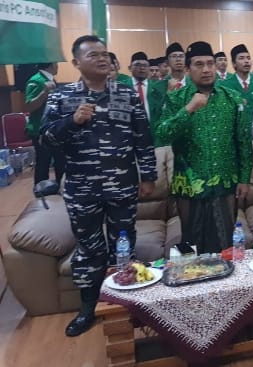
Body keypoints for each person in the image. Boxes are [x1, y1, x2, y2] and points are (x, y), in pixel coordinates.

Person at [40, 35, 156, 337]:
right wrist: (71, 121)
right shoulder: (62, 97)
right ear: (76, 63)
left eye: (105, 54)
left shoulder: (126, 94)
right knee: (89, 249)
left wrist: (148, 176)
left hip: (122, 186)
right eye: (93, 55)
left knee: (124, 246)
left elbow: (143, 138)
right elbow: (45, 139)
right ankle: (88, 308)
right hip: (82, 190)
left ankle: (125, 304)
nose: (102, 59)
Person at [155, 41, 253, 253]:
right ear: (188, 69)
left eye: (210, 63)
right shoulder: (176, 98)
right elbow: (162, 134)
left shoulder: (232, 98)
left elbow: (243, 142)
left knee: (226, 246)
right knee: (192, 247)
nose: (206, 69)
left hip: (225, 182)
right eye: (199, 64)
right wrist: (188, 109)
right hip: (189, 185)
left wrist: (245, 178)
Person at [24, 62, 65, 185]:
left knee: (60, 161)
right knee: (43, 163)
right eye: (56, 63)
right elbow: (29, 106)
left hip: (54, 129)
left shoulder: (50, 79)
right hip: (40, 129)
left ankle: (60, 189)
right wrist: (44, 92)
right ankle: (41, 191)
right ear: (51, 64)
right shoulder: (36, 80)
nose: (58, 66)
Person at [220, 44, 253, 121]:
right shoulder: (225, 85)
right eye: (241, 58)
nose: (246, 61)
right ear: (234, 63)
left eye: (248, 58)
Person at [147, 43, 186, 137]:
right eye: (174, 56)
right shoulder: (157, 87)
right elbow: (155, 115)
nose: (178, 59)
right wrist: (168, 93)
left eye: (181, 56)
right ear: (167, 62)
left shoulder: (194, 84)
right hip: (167, 134)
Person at [128, 52, 151, 122]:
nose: (142, 68)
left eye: (145, 65)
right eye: (137, 65)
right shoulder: (123, 86)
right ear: (130, 68)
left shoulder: (157, 87)